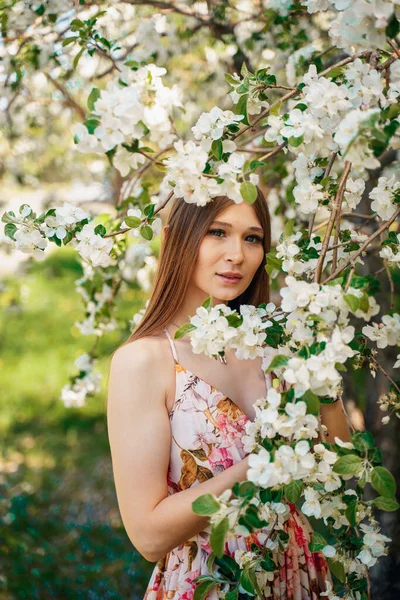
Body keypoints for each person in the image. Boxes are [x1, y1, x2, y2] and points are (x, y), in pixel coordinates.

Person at [107, 188, 351, 599]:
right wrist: (258, 467)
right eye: (217, 232)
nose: (237, 254)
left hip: (300, 575)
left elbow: (341, 476)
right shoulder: (145, 362)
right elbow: (147, 536)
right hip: (213, 582)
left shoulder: (274, 346)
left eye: (252, 238)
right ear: (173, 240)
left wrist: (324, 381)